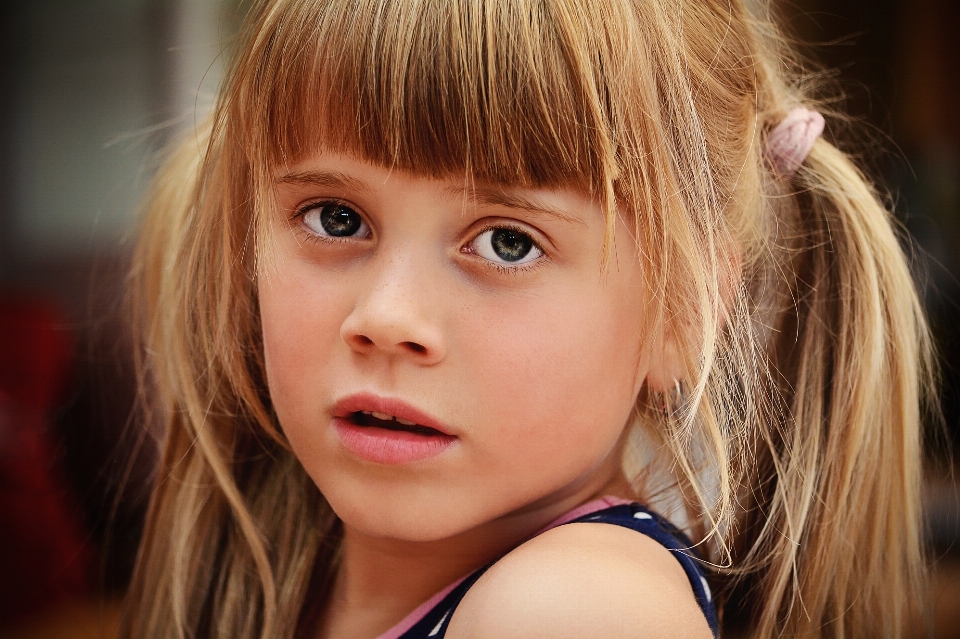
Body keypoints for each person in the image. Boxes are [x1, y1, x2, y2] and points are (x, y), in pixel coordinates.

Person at [120, 0, 933, 637]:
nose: (386, 317)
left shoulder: (575, 609)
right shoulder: (275, 560)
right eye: (335, 218)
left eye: (509, 241)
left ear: (684, 311)